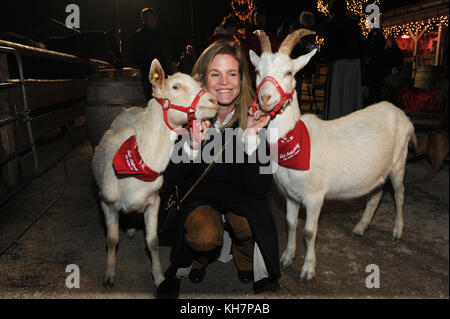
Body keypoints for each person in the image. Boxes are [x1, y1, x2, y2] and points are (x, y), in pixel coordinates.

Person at [157, 39, 280, 299]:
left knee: (249, 224)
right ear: (202, 79)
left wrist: (250, 138)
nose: (224, 82)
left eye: (231, 74)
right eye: (216, 74)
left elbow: (261, 189)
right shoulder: (185, 117)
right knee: (204, 236)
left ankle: (244, 258)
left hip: (239, 195)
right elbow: (167, 182)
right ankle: (200, 258)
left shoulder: (256, 116)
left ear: (241, 78)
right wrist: (190, 146)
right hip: (201, 196)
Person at [322, 0, 364, 120]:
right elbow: (361, 44)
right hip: (354, 62)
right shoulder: (354, 24)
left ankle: (336, 117)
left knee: (337, 93)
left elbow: (329, 46)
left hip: (338, 63)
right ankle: (351, 117)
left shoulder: (330, 25)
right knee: (350, 92)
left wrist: (319, 53)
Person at [131, 8, 167, 100]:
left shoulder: (158, 33)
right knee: (153, 98)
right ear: (145, 20)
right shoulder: (139, 35)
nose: (154, 20)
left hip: (162, 72)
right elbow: (135, 57)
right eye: (151, 18)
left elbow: (163, 53)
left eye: (155, 18)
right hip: (149, 73)